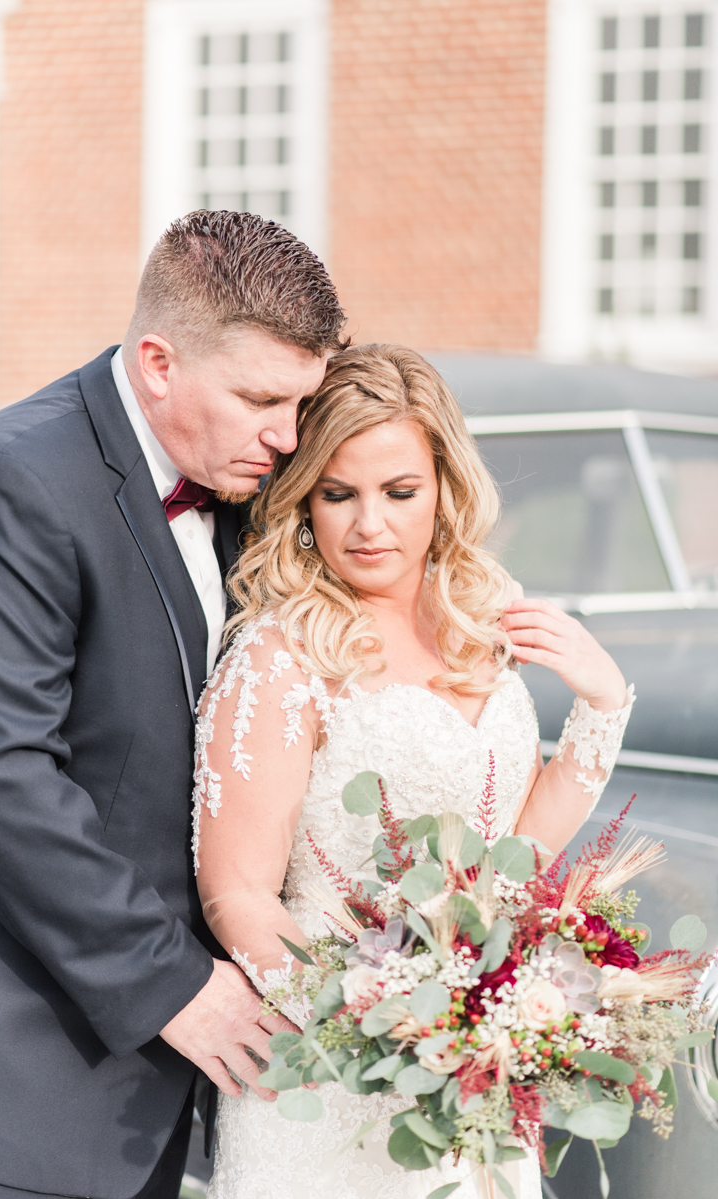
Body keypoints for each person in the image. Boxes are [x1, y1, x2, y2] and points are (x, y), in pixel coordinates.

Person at [0, 211, 346, 1199]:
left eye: (300, 402)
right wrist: (178, 988)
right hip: (13, 1093)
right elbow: (0, 775)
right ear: (157, 362)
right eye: (258, 399)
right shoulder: (11, 484)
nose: (287, 437)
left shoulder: (248, 487)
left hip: (162, 1103)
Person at [193, 344, 635, 1199]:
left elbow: (516, 859)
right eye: (338, 494)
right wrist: (377, 1018)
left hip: (464, 1085)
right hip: (326, 1083)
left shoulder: (478, 622)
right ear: (303, 500)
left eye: (400, 492)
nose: (371, 525)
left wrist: (603, 703)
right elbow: (235, 893)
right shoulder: (281, 658)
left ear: (444, 486)